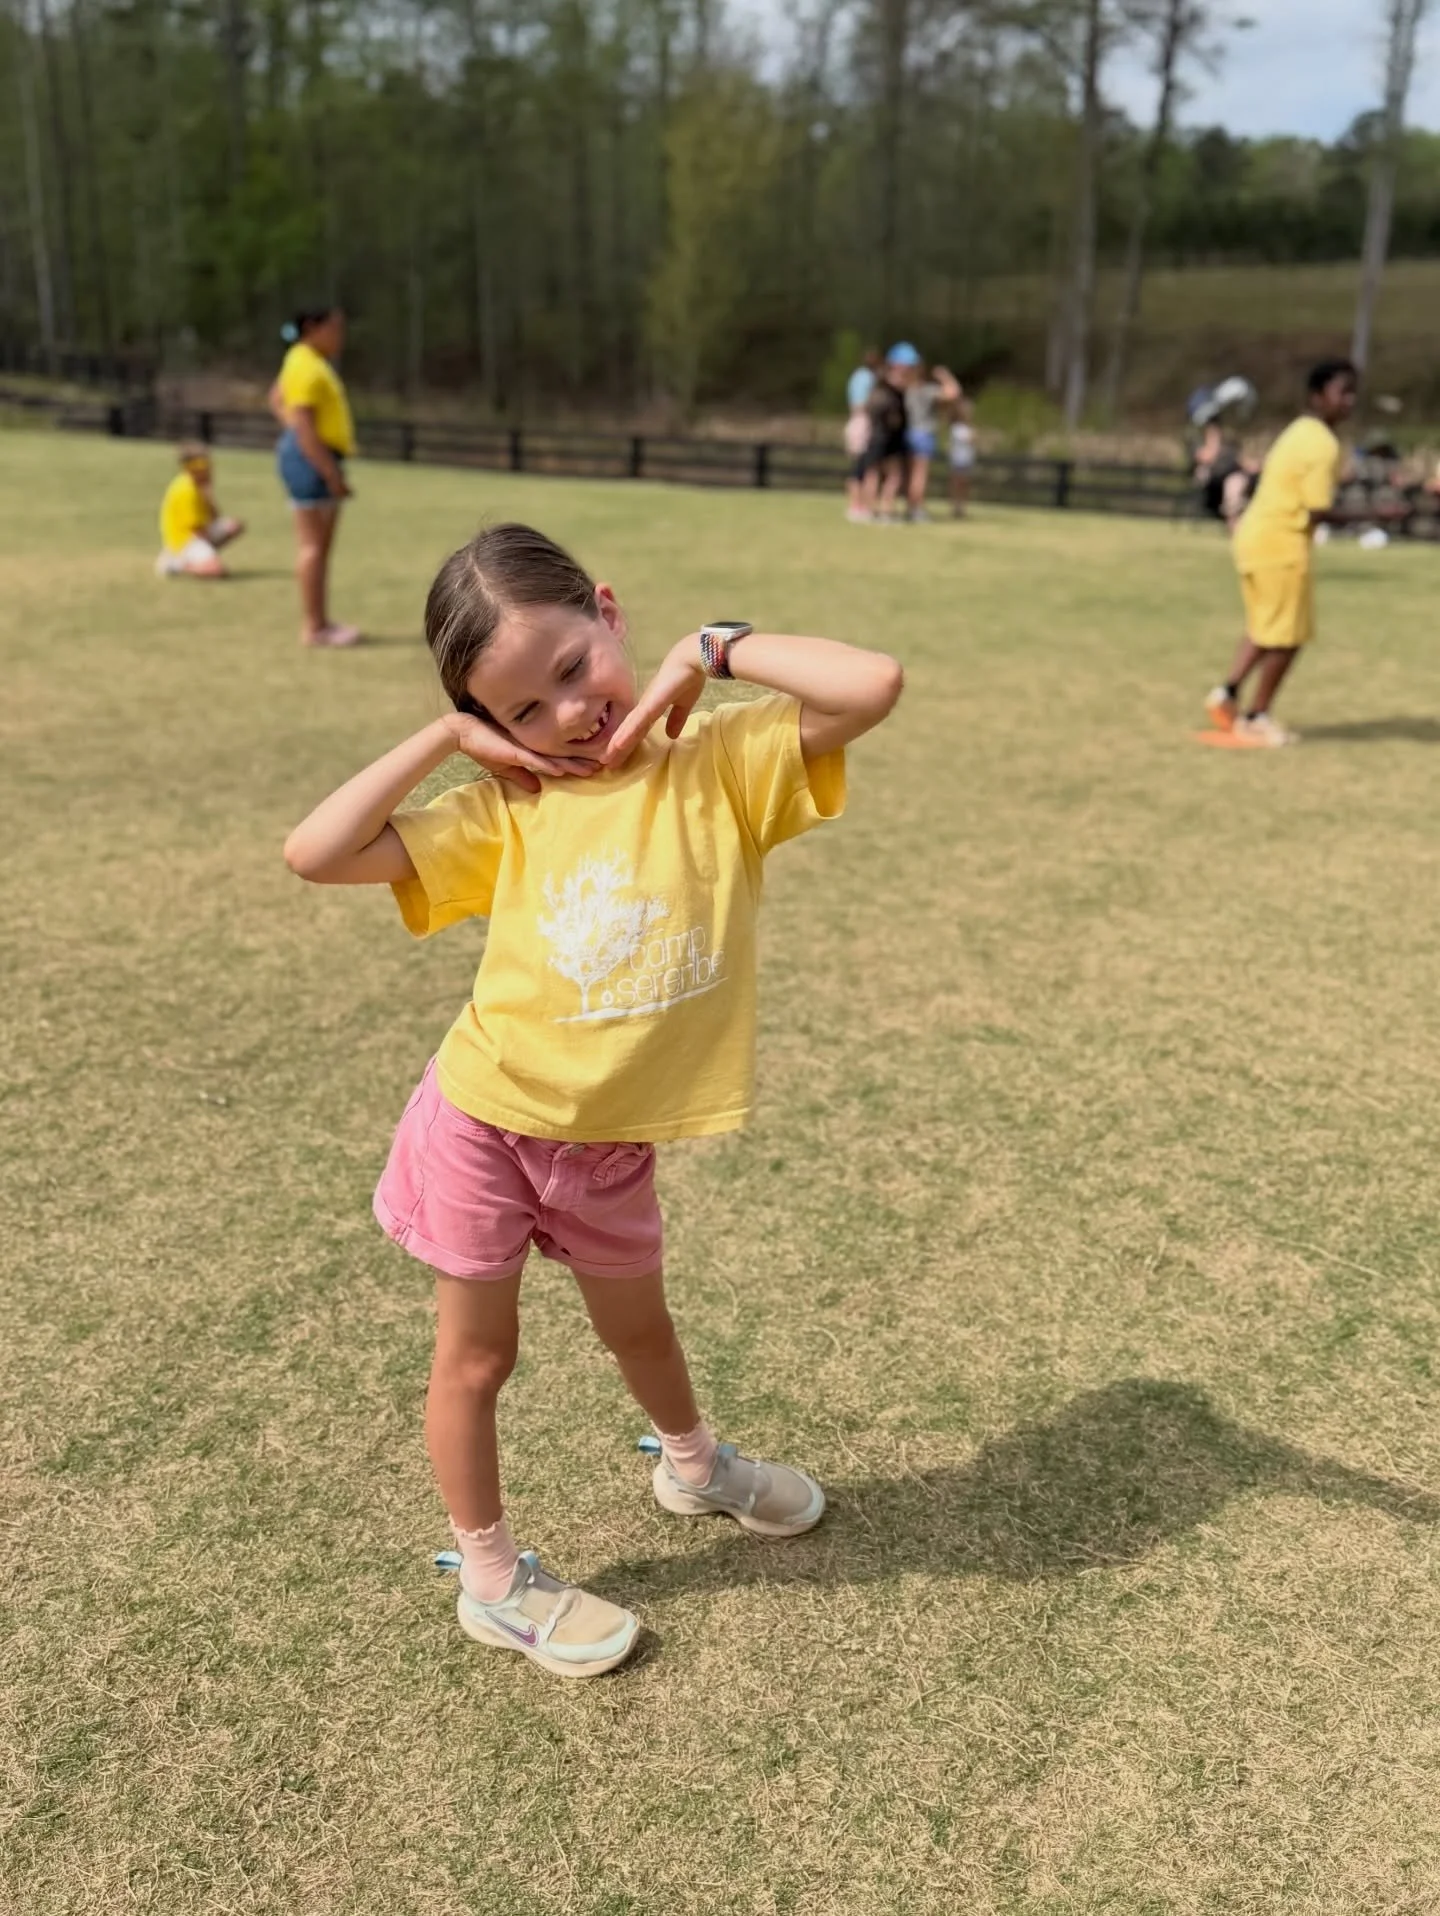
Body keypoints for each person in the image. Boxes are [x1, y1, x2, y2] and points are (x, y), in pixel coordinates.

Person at [283, 523, 903, 1678]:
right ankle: (489, 1577)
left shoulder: (718, 764)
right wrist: (445, 738)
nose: (568, 713)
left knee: (642, 1329)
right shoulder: (509, 807)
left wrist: (710, 650)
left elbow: (872, 683)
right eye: (522, 709)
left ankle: (693, 1465)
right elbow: (315, 851)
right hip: (485, 1125)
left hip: (608, 1147)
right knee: (479, 1359)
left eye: (575, 666)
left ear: (608, 612)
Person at [1203, 359, 1409, 746]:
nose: (1349, 401)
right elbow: (1317, 511)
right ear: (1317, 397)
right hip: (1282, 543)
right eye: (1341, 392)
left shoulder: (1299, 431)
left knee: (1265, 626)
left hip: (1255, 537)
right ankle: (1256, 716)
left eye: (1353, 393)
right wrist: (1378, 515)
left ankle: (1227, 694)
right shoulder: (1322, 444)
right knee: (1288, 636)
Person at [267, 306, 360, 648]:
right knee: (313, 547)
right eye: (334, 329)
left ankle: (320, 622)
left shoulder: (299, 360)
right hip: (313, 459)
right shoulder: (306, 365)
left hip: (310, 455)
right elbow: (305, 424)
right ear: (312, 328)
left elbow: (276, 397)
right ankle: (315, 627)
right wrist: (330, 472)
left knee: (318, 548)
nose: (340, 338)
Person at [154, 444, 245, 579]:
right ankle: (175, 564)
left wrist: (208, 493)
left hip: (200, 531)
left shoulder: (199, 486)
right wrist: (208, 552)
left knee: (234, 526)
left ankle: (201, 560)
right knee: (217, 571)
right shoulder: (186, 490)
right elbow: (197, 530)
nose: (209, 470)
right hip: (184, 539)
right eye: (204, 465)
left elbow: (215, 517)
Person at [860, 344, 915, 521]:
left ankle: (870, 510)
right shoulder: (893, 388)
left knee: (873, 472)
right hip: (889, 435)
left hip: (877, 434)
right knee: (893, 475)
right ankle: (885, 508)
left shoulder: (876, 387)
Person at [904, 363, 960, 521]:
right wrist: (945, 376)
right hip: (924, 434)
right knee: (920, 474)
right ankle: (917, 509)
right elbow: (954, 393)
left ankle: (911, 506)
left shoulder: (907, 390)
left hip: (908, 433)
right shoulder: (926, 390)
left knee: (911, 474)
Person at [844, 349, 881, 521]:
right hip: (863, 422)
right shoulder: (868, 378)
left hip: (855, 422)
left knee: (858, 467)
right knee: (864, 467)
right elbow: (862, 404)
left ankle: (857, 505)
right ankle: (860, 506)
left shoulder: (857, 376)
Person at [948, 389, 976, 519]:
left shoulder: (967, 428)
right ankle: (955, 506)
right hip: (958, 460)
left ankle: (962, 507)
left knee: (965, 484)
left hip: (967, 459)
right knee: (957, 484)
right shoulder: (956, 428)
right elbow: (970, 439)